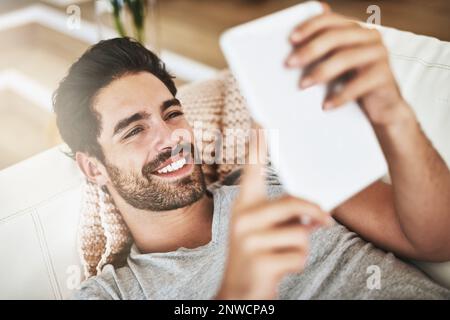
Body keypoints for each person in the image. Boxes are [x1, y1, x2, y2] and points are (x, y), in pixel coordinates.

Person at [53, 5, 450, 299]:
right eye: (135, 129)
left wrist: (394, 114)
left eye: (171, 113)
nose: (170, 137)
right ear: (94, 168)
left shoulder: (282, 174)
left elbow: (436, 240)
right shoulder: (116, 294)